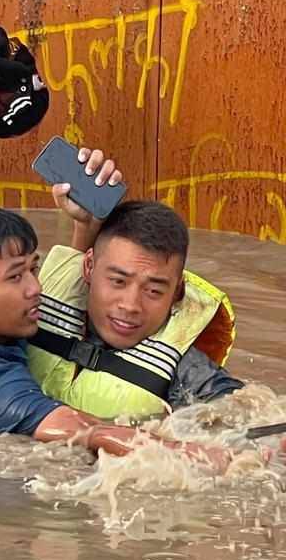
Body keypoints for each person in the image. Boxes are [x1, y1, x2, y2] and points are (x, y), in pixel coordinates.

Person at [0, 203, 284, 472]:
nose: (36, 288)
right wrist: (211, 458)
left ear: (177, 292)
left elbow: (244, 409)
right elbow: (90, 432)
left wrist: (83, 226)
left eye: (33, 269)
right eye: (16, 277)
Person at [28, 157, 242, 419]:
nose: (130, 305)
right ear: (89, 267)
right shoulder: (24, 316)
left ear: (177, 293)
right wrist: (84, 225)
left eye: (153, 291)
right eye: (118, 281)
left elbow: (242, 412)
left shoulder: (187, 372)